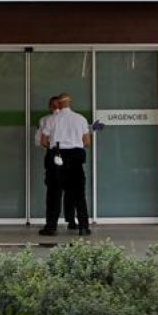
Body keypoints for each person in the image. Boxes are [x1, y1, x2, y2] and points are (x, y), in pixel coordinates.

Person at [38, 93, 91, 237]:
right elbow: (87, 141)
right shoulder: (81, 119)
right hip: (76, 157)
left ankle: (51, 227)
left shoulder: (52, 119)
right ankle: (84, 227)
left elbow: (43, 141)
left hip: (57, 156)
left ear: (59, 104)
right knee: (78, 193)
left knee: (54, 193)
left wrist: (55, 146)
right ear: (70, 103)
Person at [35, 96, 76, 230]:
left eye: (58, 105)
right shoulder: (46, 120)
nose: (56, 108)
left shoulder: (70, 119)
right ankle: (53, 223)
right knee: (55, 191)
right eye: (54, 106)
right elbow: (39, 140)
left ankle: (70, 220)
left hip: (62, 155)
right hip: (58, 155)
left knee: (68, 190)